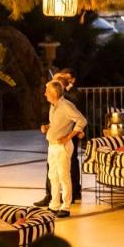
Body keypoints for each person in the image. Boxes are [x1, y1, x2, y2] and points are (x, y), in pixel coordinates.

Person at [35, 68, 84, 207]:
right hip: (53, 144)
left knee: (64, 175)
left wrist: (70, 136)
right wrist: (47, 127)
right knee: (53, 174)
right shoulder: (53, 105)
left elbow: (81, 119)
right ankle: (54, 202)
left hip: (64, 143)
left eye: (47, 91)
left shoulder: (67, 102)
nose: (44, 94)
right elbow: (56, 121)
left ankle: (67, 203)